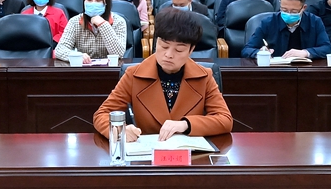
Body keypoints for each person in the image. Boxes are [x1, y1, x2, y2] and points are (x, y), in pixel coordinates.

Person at [93, 8, 232, 141]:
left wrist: (186, 124)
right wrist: (119, 131)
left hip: (189, 153)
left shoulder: (204, 77)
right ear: (156, 43)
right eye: (164, 46)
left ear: (191, 50)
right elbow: (101, 115)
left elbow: (225, 119)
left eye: (179, 50)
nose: (169, 55)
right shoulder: (133, 75)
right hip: (147, 153)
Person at [241, 0, 331, 59]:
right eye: (284, 10)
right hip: (275, 71)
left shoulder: (315, 21)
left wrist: (306, 52)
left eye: (294, 11)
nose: (288, 14)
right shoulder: (268, 23)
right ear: (280, 4)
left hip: (305, 71)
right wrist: (260, 53)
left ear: (303, 8)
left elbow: (327, 49)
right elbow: (247, 50)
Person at [54, 0, 127, 64]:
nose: (93, 3)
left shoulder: (118, 21)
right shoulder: (75, 21)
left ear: (106, 3)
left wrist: (103, 25)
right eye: (89, 0)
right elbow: (59, 50)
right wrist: (76, 56)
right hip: (84, 68)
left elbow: (118, 54)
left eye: (98, 0)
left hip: (111, 69)